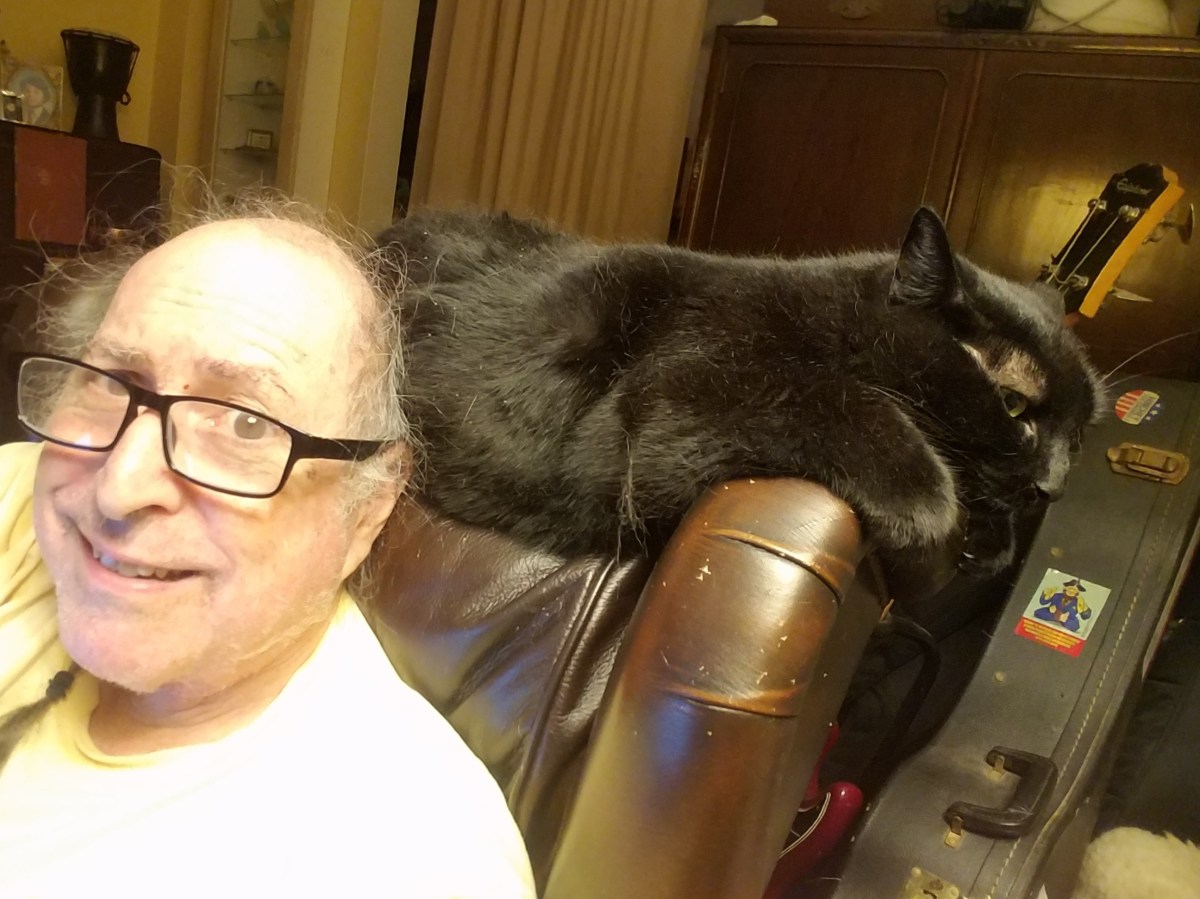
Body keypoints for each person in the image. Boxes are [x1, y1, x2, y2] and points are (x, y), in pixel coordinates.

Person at [0, 197, 536, 897]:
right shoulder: (17, 497)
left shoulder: (409, 855)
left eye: (243, 423)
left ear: (369, 505)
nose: (118, 487)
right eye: (111, 381)